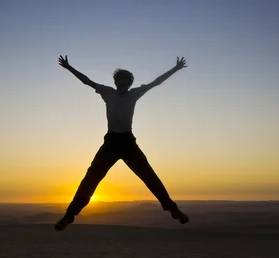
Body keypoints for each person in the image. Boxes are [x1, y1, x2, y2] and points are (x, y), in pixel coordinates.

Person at [54, 55, 190, 231]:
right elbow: (86, 81)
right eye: (121, 83)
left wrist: (175, 69)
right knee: (91, 179)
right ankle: (68, 216)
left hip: (128, 142)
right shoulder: (107, 91)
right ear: (116, 82)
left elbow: (156, 82)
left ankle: (174, 210)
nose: (124, 87)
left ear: (130, 84)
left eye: (127, 84)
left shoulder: (134, 93)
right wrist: (68, 67)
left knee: (149, 176)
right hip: (111, 142)